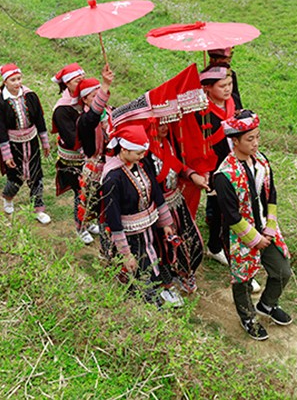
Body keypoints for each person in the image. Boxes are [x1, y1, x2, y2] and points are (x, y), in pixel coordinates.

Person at [213, 109, 293, 341]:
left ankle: (267, 304)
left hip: (267, 230)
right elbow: (231, 216)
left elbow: (272, 194)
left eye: (258, 137)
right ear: (234, 140)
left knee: (282, 271)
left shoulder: (262, 161)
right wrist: (256, 239)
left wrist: (270, 226)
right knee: (243, 278)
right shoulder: (224, 175)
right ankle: (247, 317)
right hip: (239, 236)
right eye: (250, 139)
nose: (256, 143)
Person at [101, 121, 180, 307]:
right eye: (138, 153)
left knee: (154, 259)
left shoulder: (141, 164)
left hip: (149, 228)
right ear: (124, 150)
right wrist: (125, 252)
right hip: (130, 235)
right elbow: (113, 217)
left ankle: (157, 292)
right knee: (139, 266)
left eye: (143, 153)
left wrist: (166, 224)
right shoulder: (113, 178)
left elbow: (156, 194)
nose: (142, 156)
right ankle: (149, 306)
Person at [148, 118, 207, 294]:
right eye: (160, 124)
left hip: (177, 201)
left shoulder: (168, 142)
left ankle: (185, 273)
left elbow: (178, 166)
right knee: (164, 247)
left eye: (166, 123)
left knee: (191, 239)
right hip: (159, 206)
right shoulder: (144, 152)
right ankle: (165, 283)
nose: (164, 127)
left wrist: (193, 175)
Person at [0, 63, 52, 224]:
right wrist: (6, 154)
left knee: (36, 176)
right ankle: (8, 198)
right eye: (13, 80)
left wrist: (44, 142)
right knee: (15, 177)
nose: (17, 83)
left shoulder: (30, 96)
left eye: (19, 79)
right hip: (13, 144)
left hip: (31, 141)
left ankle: (38, 209)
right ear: (5, 82)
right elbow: (1, 129)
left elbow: (39, 119)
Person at [190, 65, 236, 267]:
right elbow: (197, 142)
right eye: (222, 86)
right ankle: (215, 246)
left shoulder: (231, 103)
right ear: (207, 88)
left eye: (230, 84)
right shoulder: (201, 112)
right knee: (219, 207)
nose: (228, 89)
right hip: (214, 165)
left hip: (233, 160)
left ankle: (225, 240)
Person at [52, 65, 97, 245]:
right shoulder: (62, 109)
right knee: (81, 191)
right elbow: (71, 138)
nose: (80, 82)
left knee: (92, 190)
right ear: (66, 83)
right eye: (76, 80)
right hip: (73, 157)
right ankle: (80, 226)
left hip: (89, 154)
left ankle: (89, 220)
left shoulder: (85, 101)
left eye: (81, 79)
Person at [77, 64, 114, 254]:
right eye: (94, 96)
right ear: (84, 99)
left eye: (99, 95)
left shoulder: (110, 112)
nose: (99, 99)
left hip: (112, 165)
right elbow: (93, 116)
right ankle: (83, 228)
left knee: (109, 206)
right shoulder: (84, 120)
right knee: (93, 203)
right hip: (96, 166)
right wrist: (105, 86)